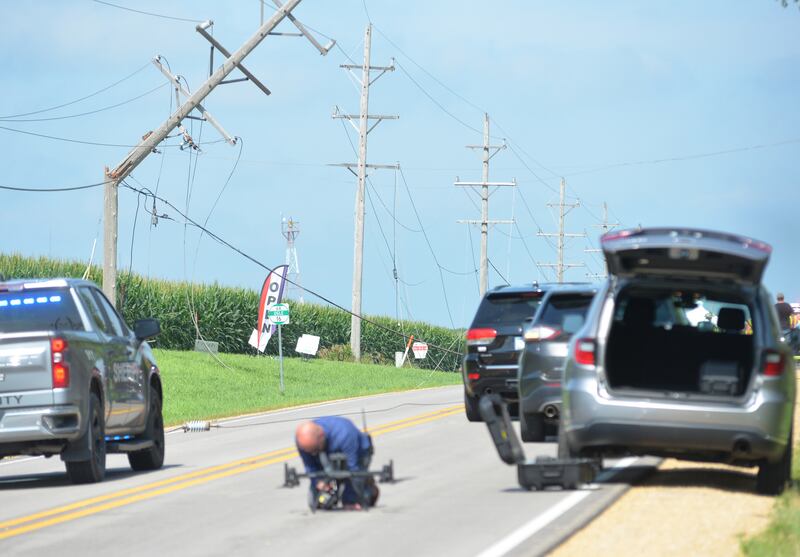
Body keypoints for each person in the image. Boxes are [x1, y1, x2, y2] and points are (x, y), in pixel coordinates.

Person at [295, 416, 378, 510]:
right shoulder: (302, 440)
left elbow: (353, 469)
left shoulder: (345, 434)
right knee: (319, 503)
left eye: (315, 449)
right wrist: (318, 482)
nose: (312, 453)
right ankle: (333, 492)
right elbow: (309, 465)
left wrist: (351, 498)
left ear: (321, 436)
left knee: (352, 499)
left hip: (359, 453)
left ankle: (368, 487)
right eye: (309, 451)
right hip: (328, 452)